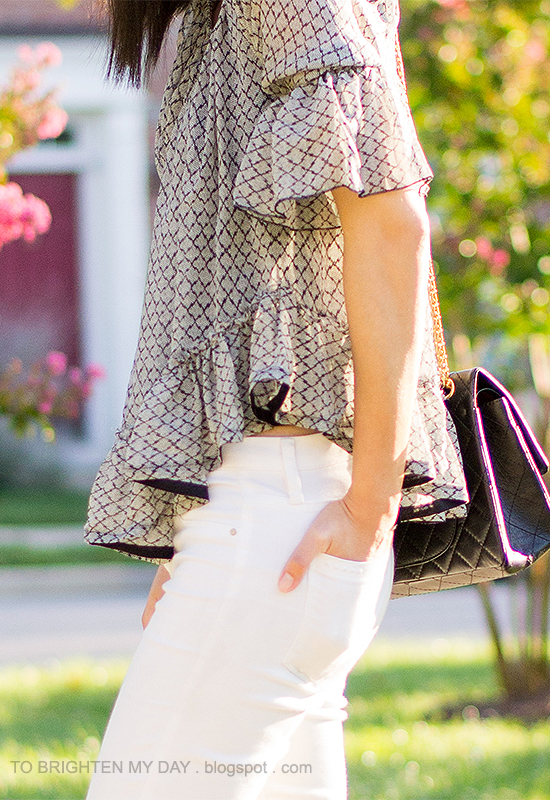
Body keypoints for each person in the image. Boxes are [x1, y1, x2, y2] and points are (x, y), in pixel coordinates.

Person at [84, 0, 468, 797]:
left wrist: (370, 504)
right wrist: (203, 525)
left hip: (281, 523)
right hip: (272, 519)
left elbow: (393, 221)